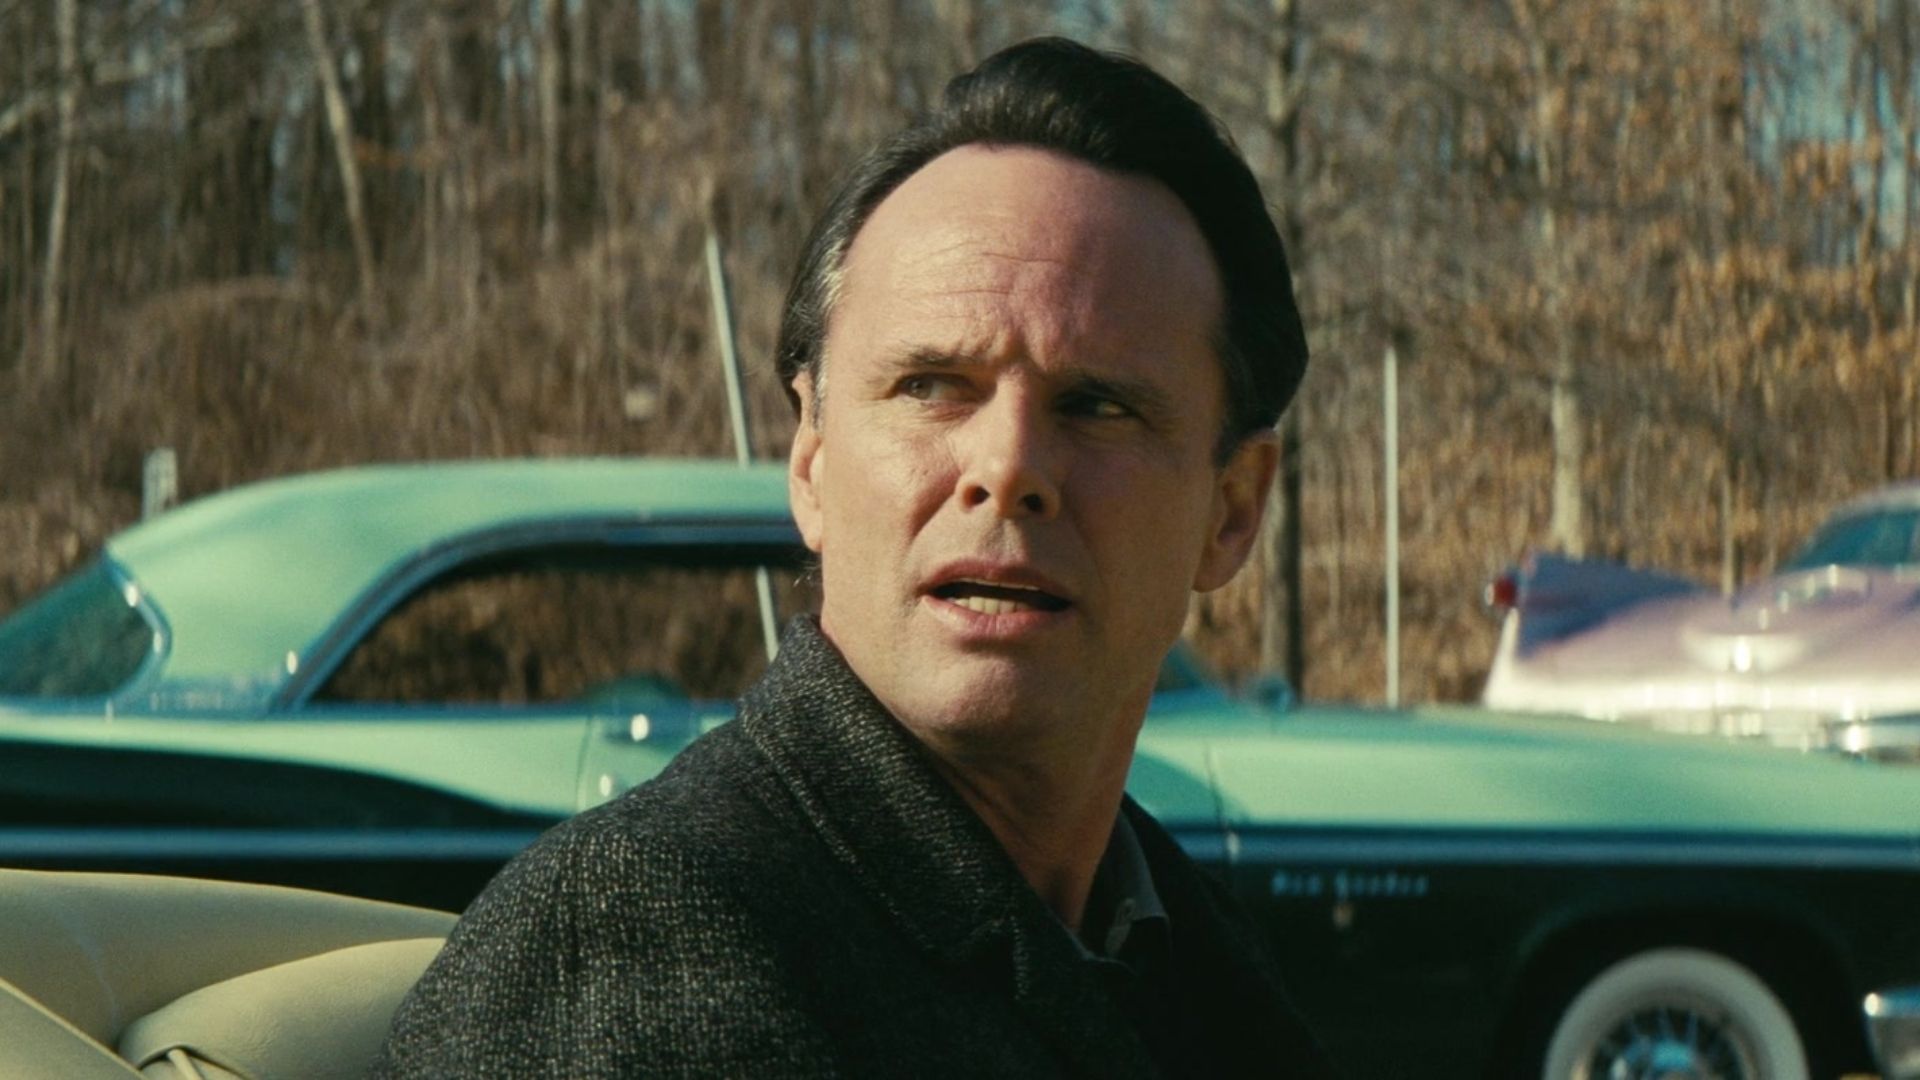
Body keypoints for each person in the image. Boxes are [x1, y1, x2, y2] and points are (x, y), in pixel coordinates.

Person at [374, 37, 1325, 1079]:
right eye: (932, 386)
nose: (1007, 468)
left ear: (1232, 510)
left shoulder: (1185, 945)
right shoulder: (641, 937)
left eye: (1097, 405)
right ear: (812, 463)